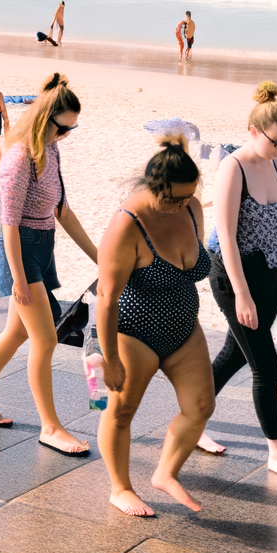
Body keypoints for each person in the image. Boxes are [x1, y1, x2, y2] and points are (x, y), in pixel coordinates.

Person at [0, 74, 100, 457]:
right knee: (46, 338)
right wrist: (20, 280)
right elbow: (8, 222)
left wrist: (101, 258)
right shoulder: (20, 157)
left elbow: (63, 212)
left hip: (42, 248)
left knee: (16, 334)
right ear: (46, 119)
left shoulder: (51, 151)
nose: (67, 135)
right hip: (19, 252)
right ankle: (50, 428)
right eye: (64, 128)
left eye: (73, 130)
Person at [193, 82, 277, 482]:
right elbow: (225, 237)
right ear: (253, 130)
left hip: (271, 273)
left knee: (233, 353)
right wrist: (242, 295)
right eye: (276, 141)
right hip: (234, 277)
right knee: (266, 364)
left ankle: (187, 421)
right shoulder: (233, 168)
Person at [95, 133, 212, 514]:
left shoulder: (191, 207)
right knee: (122, 410)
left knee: (200, 406)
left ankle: (165, 473)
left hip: (183, 327)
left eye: (187, 196)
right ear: (153, 187)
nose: (180, 205)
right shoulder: (126, 224)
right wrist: (109, 357)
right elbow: (107, 297)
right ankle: (120, 488)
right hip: (133, 330)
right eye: (172, 198)